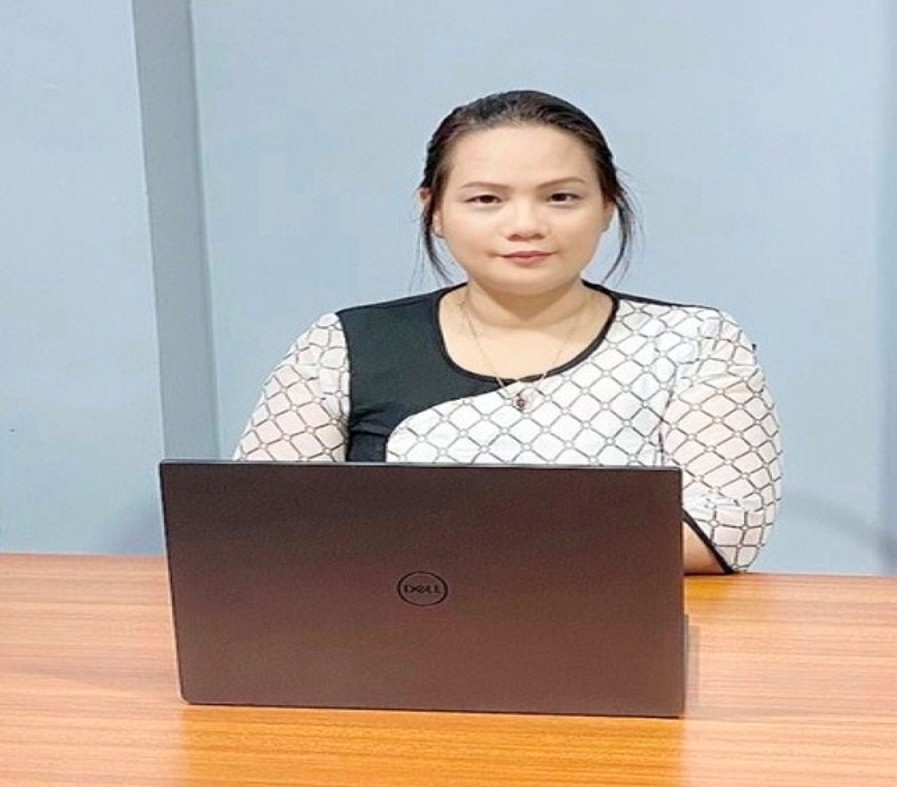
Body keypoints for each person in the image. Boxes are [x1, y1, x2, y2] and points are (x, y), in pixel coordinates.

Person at [234, 89, 782, 574]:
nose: (525, 225)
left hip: (621, 639)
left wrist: (435, 543)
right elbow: (261, 519)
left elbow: (726, 531)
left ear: (607, 206)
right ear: (435, 210)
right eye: (486, 199)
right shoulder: (343, 345)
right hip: (393, 638)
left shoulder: (693, 343)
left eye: (561, 197)